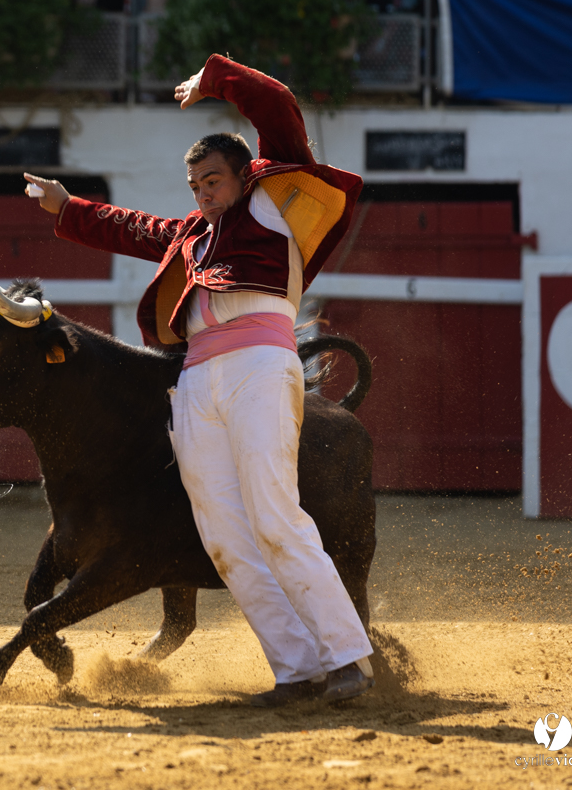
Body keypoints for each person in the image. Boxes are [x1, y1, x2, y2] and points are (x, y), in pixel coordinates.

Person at [23, 53, 374, 706]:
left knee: (275, 517)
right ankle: (296, 669)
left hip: (260, 369)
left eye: (213, 181)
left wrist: (216, 78)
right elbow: (133, 228)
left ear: (246, 175)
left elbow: (278, 109)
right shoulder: (193, 236)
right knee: (224, 536)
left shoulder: (271, 203)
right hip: (196, 382)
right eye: (195, 187)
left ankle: (349, 657)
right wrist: (67, 206)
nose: (204, 194)